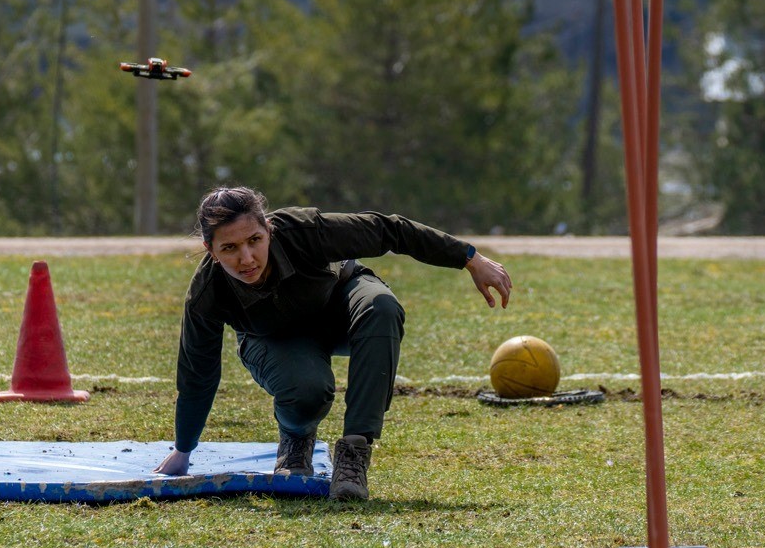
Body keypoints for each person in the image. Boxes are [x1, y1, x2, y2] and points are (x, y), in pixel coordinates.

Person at [153, 186, 513, 500]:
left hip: (339, 306)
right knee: (308, 390)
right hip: (274, 341)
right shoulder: (206, 293)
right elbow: (197, 375)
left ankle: (354, 454)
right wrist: (184, 449)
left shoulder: (303, 230)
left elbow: (389, 230)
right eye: (229, 248)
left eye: (254, 241)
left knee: (381, 307)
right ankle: (295, 440)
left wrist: (469, 258)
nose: (246, 258)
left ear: (269, 230)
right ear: (210, 249)